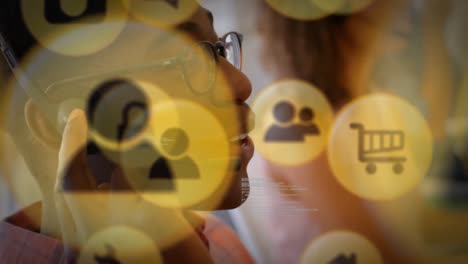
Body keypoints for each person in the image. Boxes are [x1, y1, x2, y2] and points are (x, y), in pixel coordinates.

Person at [0, 1, 254, 263]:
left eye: (219, 50)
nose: (242, 84)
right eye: (187, 60)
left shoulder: (220, 243)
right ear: (58, 123)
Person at [252, 0, 455, 263]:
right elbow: (381, 254)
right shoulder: (293, 118)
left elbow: (435, 144)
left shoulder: (374, 97)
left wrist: (436, 26)